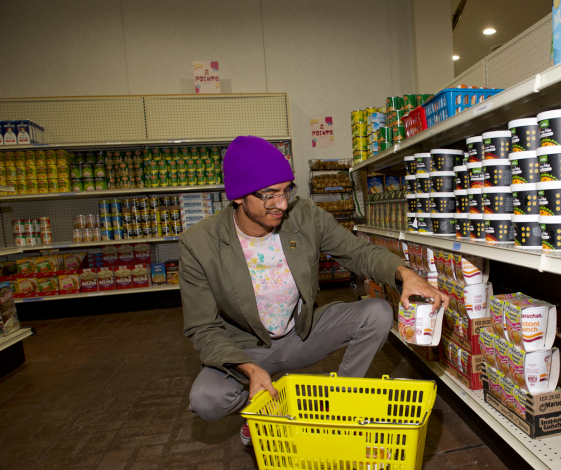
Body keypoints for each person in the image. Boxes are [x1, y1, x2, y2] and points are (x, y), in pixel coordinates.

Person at [180, 136, 448, 445]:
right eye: (269, 195)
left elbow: (358, 252)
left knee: (376, 312)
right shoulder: (200, 244)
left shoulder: (304, 217)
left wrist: (405, 273)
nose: (281, 204)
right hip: (245, 349)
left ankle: (338, 404)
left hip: (300, 335)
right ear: (239, 196)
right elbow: (203, 327)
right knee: (207, 400)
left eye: (286, 191)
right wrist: (249, 369)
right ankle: (261, 411)